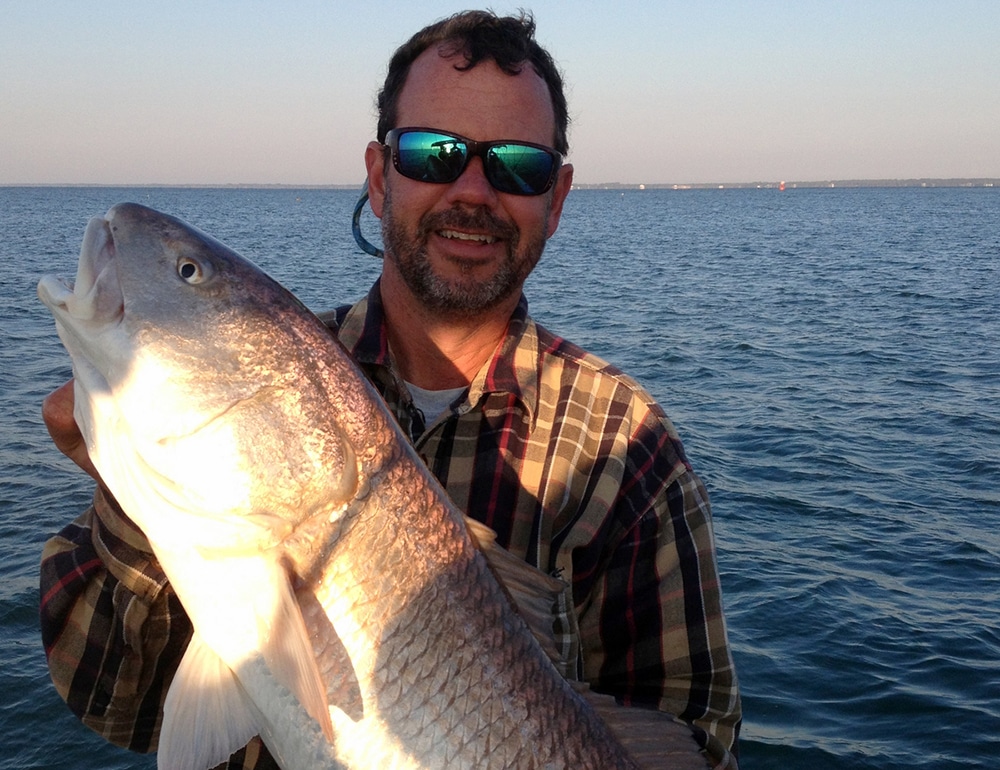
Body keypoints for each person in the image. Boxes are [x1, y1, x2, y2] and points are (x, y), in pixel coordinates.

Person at [39, 10, 741, 769]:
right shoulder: (294, 366)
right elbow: (112, 702)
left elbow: (692, 735)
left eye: (518, 165)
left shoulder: (626, 448)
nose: (472, 190)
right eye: (432, 153)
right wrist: (131, 508)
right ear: (379, 175)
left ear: (557, 197)